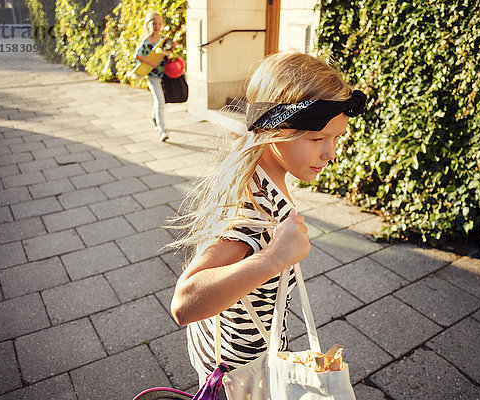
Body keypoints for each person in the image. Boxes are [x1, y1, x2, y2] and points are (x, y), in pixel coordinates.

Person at [168, 51, 366, 389]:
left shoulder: (268, 180)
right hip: (241, 375)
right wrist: (273, 258)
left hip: (242, 356)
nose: (330, 152)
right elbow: (184, 303)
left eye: (336, 138)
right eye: (317, 138)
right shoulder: (252, 210)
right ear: (275, 128)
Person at [134, 11, 169, 142]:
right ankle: (162, 130)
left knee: (158, 100)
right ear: (148, 24)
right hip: (152, 76)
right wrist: (151, 63)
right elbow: (138, 55)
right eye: (154, 23)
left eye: (159, 23)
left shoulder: (163, 40)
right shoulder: (146, 42)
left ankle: (155, 118)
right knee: (160, 101)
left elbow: (167, 51)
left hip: (163, 74)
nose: (157, 26)